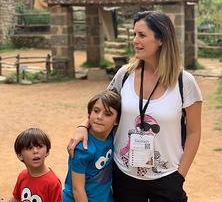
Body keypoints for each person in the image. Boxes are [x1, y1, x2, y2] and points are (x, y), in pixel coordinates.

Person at [68, 11, 203, 202]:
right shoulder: (124, 75)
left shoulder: (184, 82)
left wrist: (180, 175)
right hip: (124, 174)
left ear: (161, 39)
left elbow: (194, 132)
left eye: (142, 35)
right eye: (134, 34)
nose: (135, 40)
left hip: (167, 176)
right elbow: (104, 109)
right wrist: (83, 125)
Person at [63, 90, 121, 201]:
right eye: (96, 111)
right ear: (89, 114)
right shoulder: (83, 148)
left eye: (107, 114)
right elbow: (77, 189)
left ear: (117, 121)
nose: (99, 117)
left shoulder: (113, 137)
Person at [9, 128, 62, 202]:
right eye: (29, 148)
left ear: (47, 152)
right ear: (20, 156)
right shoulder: (22, 176)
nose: (35, 151)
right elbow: (16, 198)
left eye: (40, 147)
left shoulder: (52, 183)